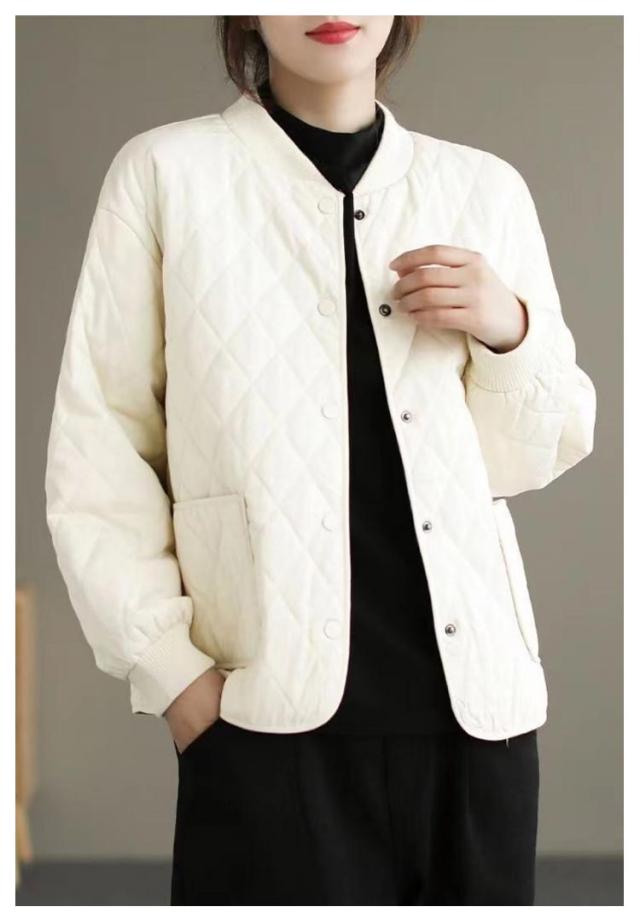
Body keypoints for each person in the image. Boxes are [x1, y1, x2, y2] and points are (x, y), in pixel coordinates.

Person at [44, 15, 597, 906]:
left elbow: (524, 460)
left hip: (477, 728)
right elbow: (97, 450)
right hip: (263, 726)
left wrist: (511, 329)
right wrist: (176, 679)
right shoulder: (167, 175)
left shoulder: (482, 188)